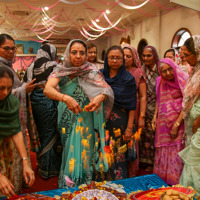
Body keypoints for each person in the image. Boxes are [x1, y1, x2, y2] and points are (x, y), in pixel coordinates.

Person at [44, 39, 114, 188]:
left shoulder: (91, 71)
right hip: (67, 117)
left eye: (82, 53)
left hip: (87, 117)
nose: (78, 56)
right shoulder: (60, 70)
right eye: (74, 52)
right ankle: (70, 186)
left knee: (86, 150)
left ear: (86, 54)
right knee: (70, 150)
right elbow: (47, 89)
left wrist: (99, 98)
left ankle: (85, 185)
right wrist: (65, 98)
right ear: (68, 53)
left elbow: (106, 90)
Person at [0, 33, 36, 193]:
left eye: (9, 88)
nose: (6, 93)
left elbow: (15, 130)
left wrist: (25, 162)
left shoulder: (10, 101)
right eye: (1, 88)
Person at [23, 43, 62, 178]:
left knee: (42, 132)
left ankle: (43, 166)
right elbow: (60, 84)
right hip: (50, 101)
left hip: (35, 102)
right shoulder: (54, 66)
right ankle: (50, 169)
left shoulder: (31, 67)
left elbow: (25, 85)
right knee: (51, 133)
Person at [101, 45, 137, 180]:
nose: (115, 60)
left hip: (120, 125)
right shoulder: (100, 75)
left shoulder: (128, 79)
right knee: (102, 152)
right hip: (102, 123)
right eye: (112, 57)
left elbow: (132, 105)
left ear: (123, 60)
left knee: (118, 156)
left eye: (118, 58)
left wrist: (129, 129)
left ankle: (119, 186)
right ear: (106, 59)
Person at [152, 58, 188, 185]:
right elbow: (159, 99)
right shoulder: (161, 82)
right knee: (164, 150)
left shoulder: (183, 79)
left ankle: (176, 184)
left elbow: (187, 104)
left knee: (176, 151)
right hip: (163, 125)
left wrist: (176, 125)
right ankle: (163, 182)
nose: (167, 74)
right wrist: (155, 115)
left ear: (174, 67)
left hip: (180, 124)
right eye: (164, 71)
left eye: (169, 69)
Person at [179, 35, 200, 195]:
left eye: (187, 55)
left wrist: (198, 120)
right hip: (193, 124)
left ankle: (189, 193)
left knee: (193, 162)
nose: (184, 59)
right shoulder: (195, 71)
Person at [122, 43, 146, 177]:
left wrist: (141, 117)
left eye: (128, 56)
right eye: (123, 56)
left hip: (134, 110)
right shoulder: (116, 72)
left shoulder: (138, 73)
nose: (125, 59)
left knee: (131, 140)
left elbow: (142, 97)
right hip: (119, 111)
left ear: (134, 58)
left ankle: (132, 173)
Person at [139, 45, 160, 170]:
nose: (146, 58)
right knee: (144, 135)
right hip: (144, 106)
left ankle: (154, 162)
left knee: (155, 134)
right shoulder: (142, 70)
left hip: (158, 106)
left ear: (155, 56)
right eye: (144, 55)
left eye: (149, 55)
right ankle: (145, 161)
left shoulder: (160, 70)